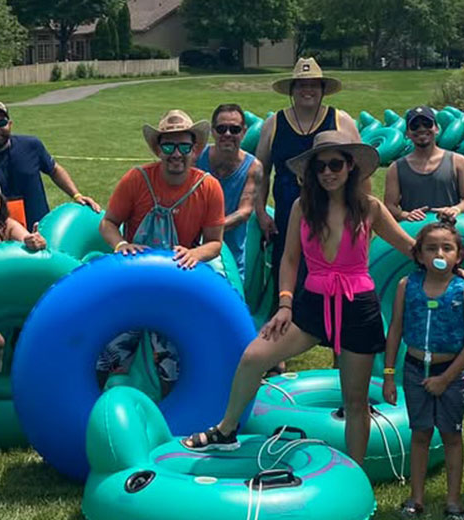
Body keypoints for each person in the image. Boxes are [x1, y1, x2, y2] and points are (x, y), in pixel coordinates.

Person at [180, 131, 413, 466]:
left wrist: (452, 267)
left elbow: (408, 246)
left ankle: (355, 472)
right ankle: (226, 430)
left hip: (358, 307)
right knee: (254, 356)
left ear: (350, 166)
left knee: (355, 402)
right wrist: (285, 304)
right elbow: (289, 259)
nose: (328, 172)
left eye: (335, 164)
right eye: (320, 166)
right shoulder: (303, 207)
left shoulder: (369, 207)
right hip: (311, 304)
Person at [97, 110, 227, 394]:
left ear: (195, 149)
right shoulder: (137, 180)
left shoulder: (208, 187)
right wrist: (121, 245)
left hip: (177, 277)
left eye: (184, 146)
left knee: (170, 355)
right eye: (168, 146)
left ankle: (173, 407)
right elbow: (108, 223)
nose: (176, 154)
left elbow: (215, 242)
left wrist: (195, 254)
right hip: (134, 276)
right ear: (158, 149)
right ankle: (94, 400)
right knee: (111, 348)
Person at [383, 219, 464, 520]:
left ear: (459, 255)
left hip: (449, 372)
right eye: (431, 248)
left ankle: (453, 501)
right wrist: (389, 375)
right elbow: (396, 328)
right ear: (419, 255)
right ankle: (416, 498)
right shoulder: (407, 286)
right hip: (415, 370)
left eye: (447, 248)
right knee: (420, 434)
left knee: (451, 435)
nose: (439, 253)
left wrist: (446, 378)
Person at [253, 58, 364, 291]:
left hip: (333, 207)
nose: (308, 90)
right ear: (292, 90)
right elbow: (261, 173)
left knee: (329, 268)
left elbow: (360, 172)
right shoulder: (273, 124)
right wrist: (261, 212)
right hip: (286, 209)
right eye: (302, 85)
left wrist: (360, 211)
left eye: (314, 85)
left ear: (323, 89)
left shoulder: (341, 121)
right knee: (287, 268)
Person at [0, 100, 100, 227]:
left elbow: (54, 170)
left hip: (40, 229)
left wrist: (76, 195)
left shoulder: (31, 146)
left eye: (2, 123)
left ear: (10, 124)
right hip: (3, 235)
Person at [196, 103, 264, 281]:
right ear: (212, 131)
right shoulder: (196, 158)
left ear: (244, 132)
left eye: (234, 129)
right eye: (221, 129)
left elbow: (244, 212)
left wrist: (209, 229)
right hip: (193, 252)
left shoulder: (253, 167)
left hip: (232, 261)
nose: (227, 134)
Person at [383, 106, 464, 222]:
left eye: (427, 124)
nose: (421, 129)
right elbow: (389, 205)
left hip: (449, 227)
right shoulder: (396, 168)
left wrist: (456, 209)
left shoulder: (458, 161)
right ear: (407, 133)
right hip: (414, 229)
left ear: (437, 129)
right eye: (415, 126)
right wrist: (405, 215)